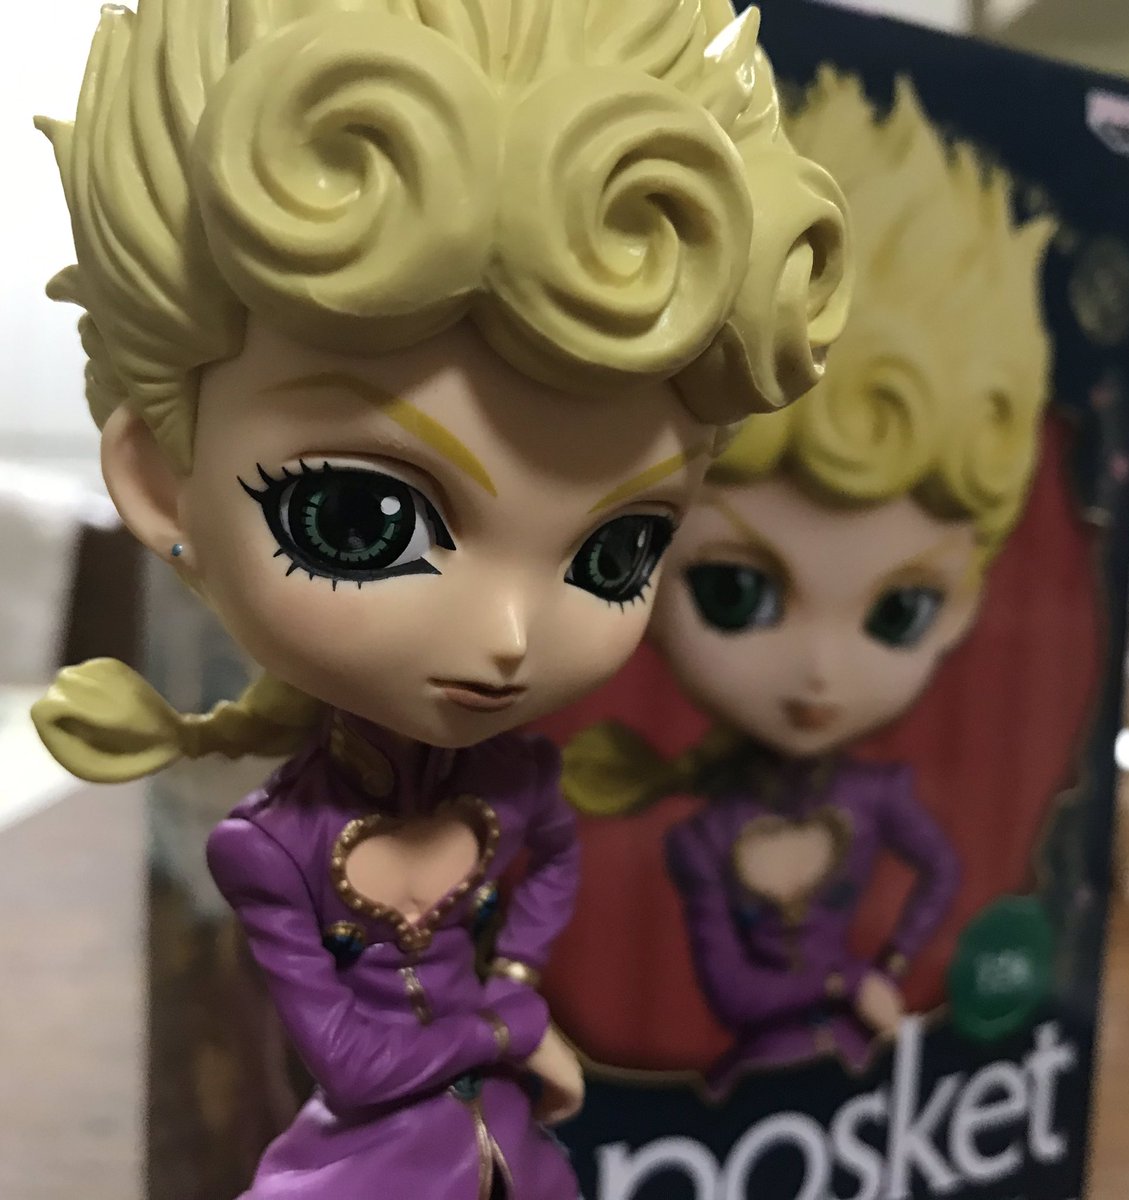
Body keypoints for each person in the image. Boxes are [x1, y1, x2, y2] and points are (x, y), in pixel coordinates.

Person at [28, 1, 851, 1195]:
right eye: (361, 520)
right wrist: (513, 1026)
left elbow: (552, 863)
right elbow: (355, 1063)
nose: (507, 637)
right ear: (161, 482)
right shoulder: (270, 847)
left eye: (617, 550)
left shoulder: (518, 786)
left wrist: (512, 975)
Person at [564, 68, 1054, 1093]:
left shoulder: (878, 799)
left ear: (962, 603)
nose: (821, 674)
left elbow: (941, 876)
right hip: (759, 1082)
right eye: (734, 593)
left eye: (900, 610)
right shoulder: (705, 839)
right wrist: (850, 983)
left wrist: (890, 965)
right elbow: (733, 990)